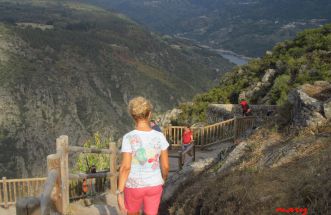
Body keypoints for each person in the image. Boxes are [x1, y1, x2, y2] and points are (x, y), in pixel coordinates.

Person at [118, 97, 170, 215]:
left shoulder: (128, 137)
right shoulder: (160, 136)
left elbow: (125, 167)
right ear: (150, 114)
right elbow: (166, 166)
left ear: (132, 115)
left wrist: (119, 192)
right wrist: (163, 179)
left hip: (134, 185)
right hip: (154, 185)